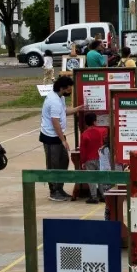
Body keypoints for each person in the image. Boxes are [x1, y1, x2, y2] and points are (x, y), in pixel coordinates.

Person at [41, 74, 77, 202]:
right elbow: (55, 121)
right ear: (62, 88)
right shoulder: (54, 101)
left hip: (59, 135)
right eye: (69, 89)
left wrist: (78, 109)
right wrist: (63, 140)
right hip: (51, 137)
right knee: (53, 164)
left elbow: (64, 112)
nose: (70, 91)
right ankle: (53, 191)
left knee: (64, 161)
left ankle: (59, 188)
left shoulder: (60, 97)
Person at [78, 112, 109, 204]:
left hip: (89, 159)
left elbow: (83, 150)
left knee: (91, 178)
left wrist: (83, 161)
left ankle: (94, 196)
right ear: (95, 121)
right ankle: (103, 195)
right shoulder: (102, 131)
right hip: (100, 158)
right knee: (101, 177)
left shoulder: (84, 134)